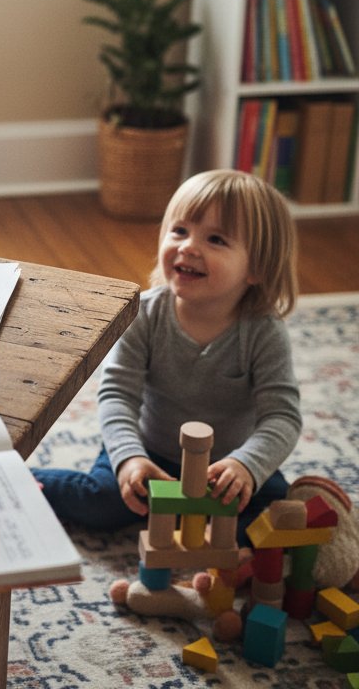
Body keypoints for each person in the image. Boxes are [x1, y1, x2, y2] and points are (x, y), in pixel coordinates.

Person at [31, 169, 302, 544]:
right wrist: (129, 459)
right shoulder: (145, 314)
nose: (189, 246)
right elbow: (117, 395)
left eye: (216, 239)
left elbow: (282, 417)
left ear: (257, 266)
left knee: (275, 512)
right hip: (151, 453)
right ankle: (20, 481)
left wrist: (247, 465)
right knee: (102, 502)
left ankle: (220, 550)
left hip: (224, 466)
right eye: (179, 231)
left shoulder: (263, 332)